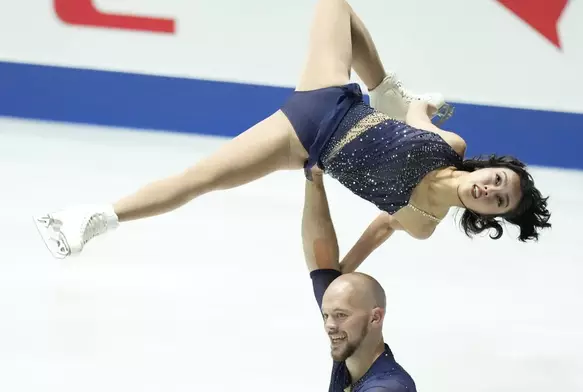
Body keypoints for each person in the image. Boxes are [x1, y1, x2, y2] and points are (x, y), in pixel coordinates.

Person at [33, 0, 551, 260]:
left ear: (488, 217)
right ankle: (384, 86)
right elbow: (416, 118)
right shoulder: (452, 147)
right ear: (490, 167)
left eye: (497, 202)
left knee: (199, 180)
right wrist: (418, 104)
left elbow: (378, 230)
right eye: (499, 180)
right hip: (333, 98)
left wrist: (338, 277)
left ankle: (97, 218)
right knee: (336, 5)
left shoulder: (422, 223)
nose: (490, 190)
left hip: (303, 140)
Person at [302, 168, 416, 391]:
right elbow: (321, 263)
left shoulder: (387, 387)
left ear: (375, 317)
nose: (329, 326)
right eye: (326, 315)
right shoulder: (351, 350)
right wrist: (313, 177)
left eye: (340, 315)